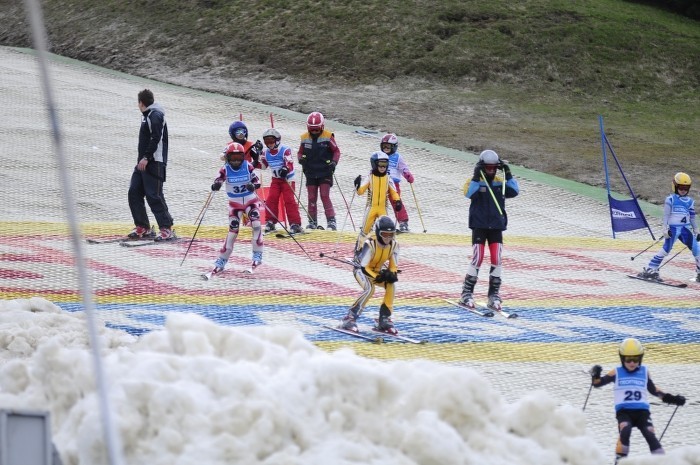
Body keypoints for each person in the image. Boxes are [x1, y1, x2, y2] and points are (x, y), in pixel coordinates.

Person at [590, 337, 686, 464]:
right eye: (628, 359)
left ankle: (662, 461)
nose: (632, 363)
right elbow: (598, 383)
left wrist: (672, 399)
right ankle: (620, 461)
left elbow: (654, 390)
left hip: (642, 412)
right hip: (624, 412)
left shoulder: (644, 371)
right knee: (626, 429)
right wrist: (595, 375)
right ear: (622, 358)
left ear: (640, 358)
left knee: (649, 433)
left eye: (635, 359)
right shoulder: (617, 372)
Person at [459, 149, 519, 311]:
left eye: (494, 168)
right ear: (482, 166)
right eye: (488, 168)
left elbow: (514, 191)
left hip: (496, 226)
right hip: (479, 225)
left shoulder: (500, 182)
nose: (491, 171)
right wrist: (476, 177)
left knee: (496, 258)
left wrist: (509, 174)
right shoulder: (474, 182)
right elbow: (468, 193)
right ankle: (466, 292)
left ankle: (493, 294)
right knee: (478, 257)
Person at [208, 142, 263, 276]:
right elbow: (219, 179)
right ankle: (221, 261)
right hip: (235, 205)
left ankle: (257, 256)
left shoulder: (248, 166)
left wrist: (253, 187)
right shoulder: (225, 169)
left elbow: (257, 182)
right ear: (228, 157)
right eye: (233, 158)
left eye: (239, 157)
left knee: (256, 225)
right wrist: (216, 185)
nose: (236, 161)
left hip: (251, 201)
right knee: (233, 232)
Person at [340, 216, 400, 335]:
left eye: (391, 235)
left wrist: (391, 274)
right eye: (384, 234)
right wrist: (377, 277)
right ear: (378, 233)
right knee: (369, 289)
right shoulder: (370, 244)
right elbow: (364, 267)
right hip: (361, 271)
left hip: (376, 271)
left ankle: (384, 319)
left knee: (391, 285)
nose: (388, 238)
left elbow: (393, 266)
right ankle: (350, 318)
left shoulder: (394, 245)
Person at [128, 89, 175, 241]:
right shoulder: (147, 115)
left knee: (153, 195)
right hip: (142, 163)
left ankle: (166, 228)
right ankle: (143, 227)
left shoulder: (156, 115)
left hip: (154, 162)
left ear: (141, 103)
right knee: (134, 192)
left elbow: (156, 137)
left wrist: (147, 157)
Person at [638, 172, 699, 282]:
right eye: (681, 187)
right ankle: (651, 269)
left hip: (685, 229)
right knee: (666, 249)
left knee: (697, 249)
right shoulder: (670, 199)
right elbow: (666, 216)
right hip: (673, 229)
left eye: (686, 188)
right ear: (675, 186)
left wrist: (696, 230)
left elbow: (693, 217)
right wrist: (665, 228)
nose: (683, 190)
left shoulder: (690, 201)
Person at [297, 111, 341, 230]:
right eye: (312, 130)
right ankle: (312, 221)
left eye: (317, 130)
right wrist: (301, 159)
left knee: (324, 195)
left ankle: (331, 221)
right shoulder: (304, 138)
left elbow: (336, 151)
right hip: (310, 172)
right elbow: (300, 152)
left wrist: (334, 162)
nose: (315, 132)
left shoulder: (328, 136)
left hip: (325, 171)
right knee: (311, 197)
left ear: (322, 127)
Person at [353, 151, 402, 257]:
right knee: (365, 230)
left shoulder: (388, 178)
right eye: (380, 164)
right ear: (374, 164)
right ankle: (359, 250)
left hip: (382, 209)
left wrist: (397, 201)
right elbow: (361, 192)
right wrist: (357, 186)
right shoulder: (370, 177)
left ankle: (390, 252)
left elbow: (393, 191)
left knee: (387, 230)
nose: (383, 167)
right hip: (371, 208)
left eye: (385, 165)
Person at [259, 128, 303, 234]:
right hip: (276, 180)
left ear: (277, 140)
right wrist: (256, 158)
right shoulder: (266, 153)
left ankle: (295, 224)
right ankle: (270, 222)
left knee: (289, 200)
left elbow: (289, 162)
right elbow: (263, 166)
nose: (269, 144)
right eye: (266, 142)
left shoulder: (284, 149)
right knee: (271, 199)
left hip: (287, 179)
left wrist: (285, 168)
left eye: (271, 141)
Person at [382, 133, 415, 232]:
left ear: (394, 147)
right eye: (384, 146)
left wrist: (407, 175)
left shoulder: (397, 157)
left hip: (393, 184)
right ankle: (377, 221)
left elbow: (403, 168)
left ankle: (403, 222)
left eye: (388, 146)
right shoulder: (379, 155)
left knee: (396, 202)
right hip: (380, 182)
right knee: (378, 202)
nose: (386, 148)